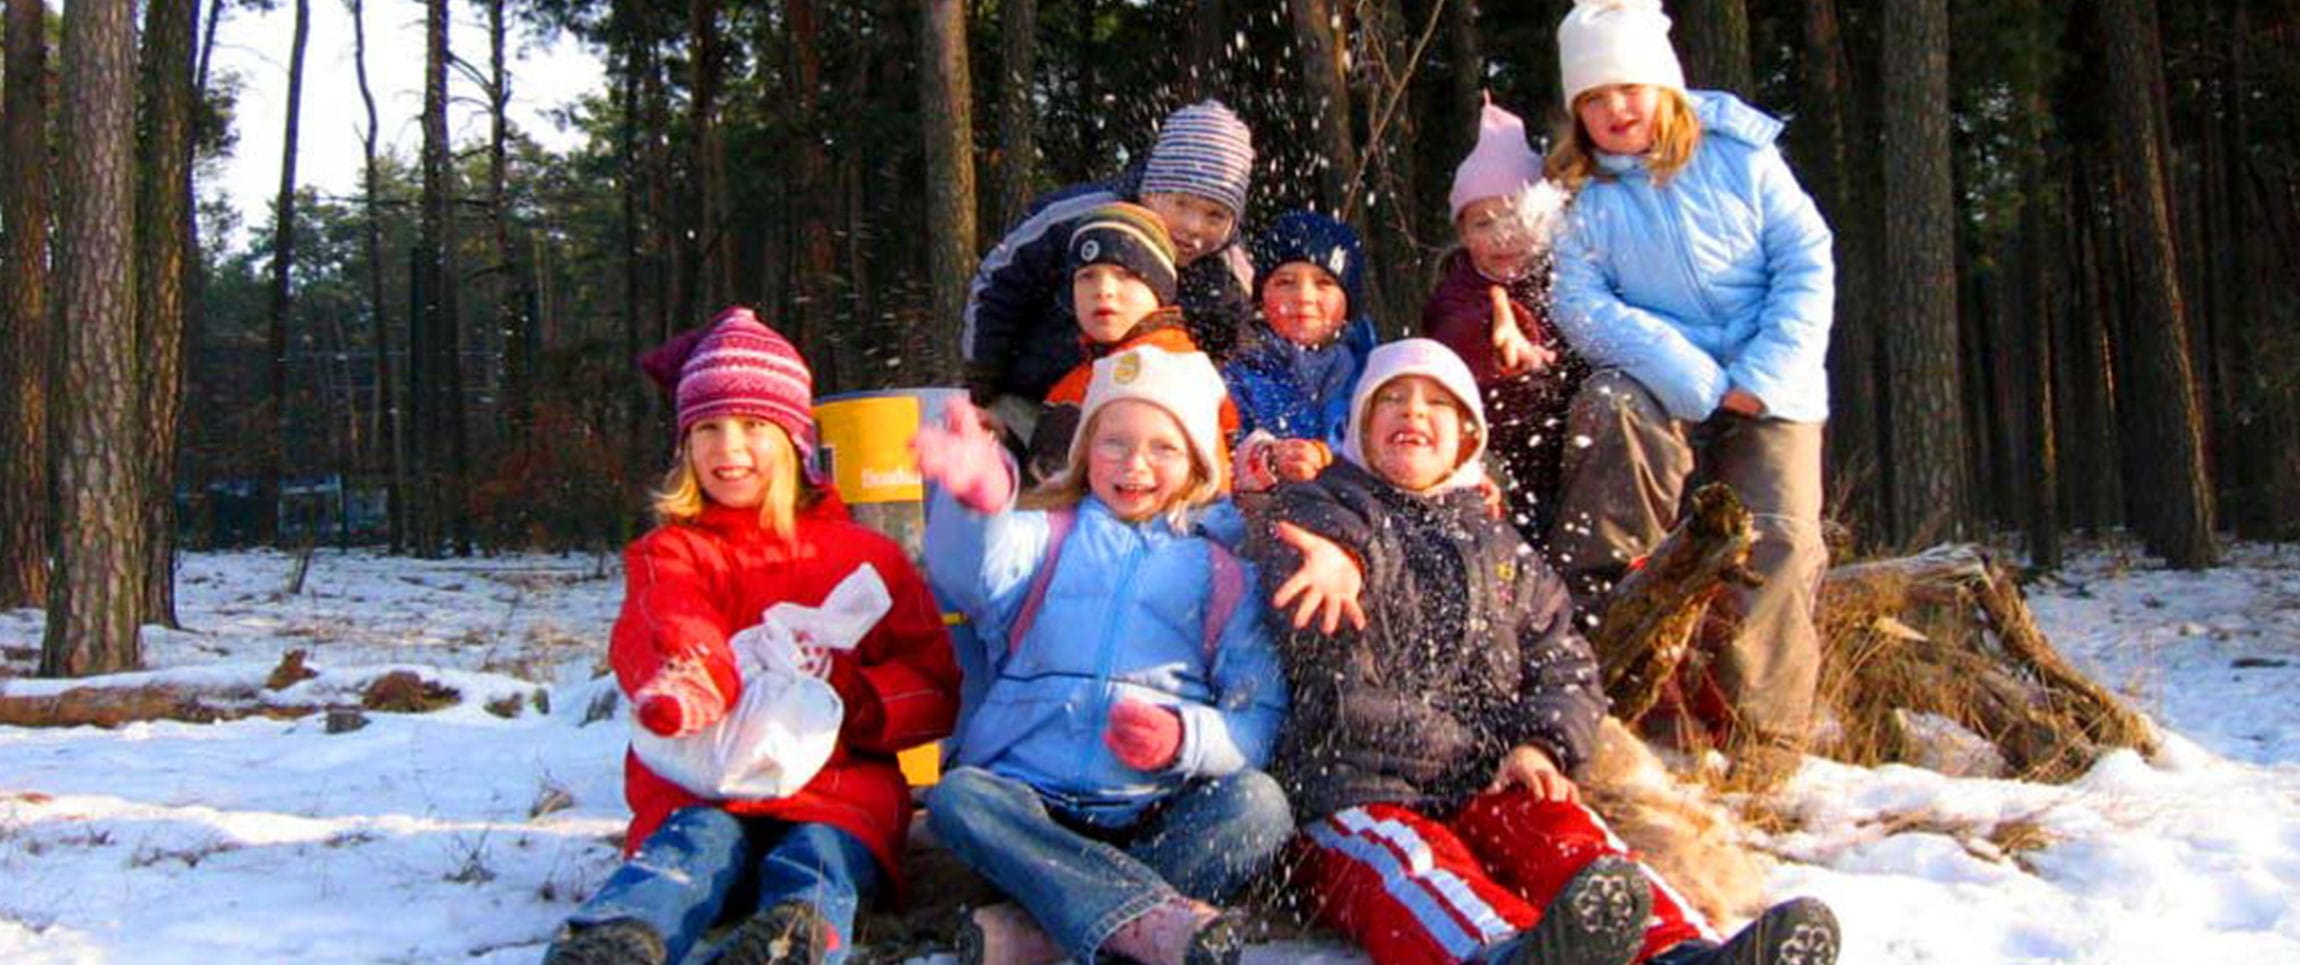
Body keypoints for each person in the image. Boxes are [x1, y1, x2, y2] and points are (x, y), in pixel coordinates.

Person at [1253, 338, 1841, 965]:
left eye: (1437, 405)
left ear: (1466, 437)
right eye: (1390, 400)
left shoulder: (1502, 548)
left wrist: (1542, 744)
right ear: (1362, 426)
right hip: (1356, 793)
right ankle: (1505, 954)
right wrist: (1332, 554)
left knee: (1568, 837)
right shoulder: (1323, 512)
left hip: (1486, 779)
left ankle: (1683, 952)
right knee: (1410, 868)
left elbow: (1565, 665)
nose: (1413, 413)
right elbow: (1288, 556)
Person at [542, 308, 961, 965]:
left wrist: (852, 693)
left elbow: (933, 685)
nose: (727, 448)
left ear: (795, 439)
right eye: (707, 426)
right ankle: (620, 935)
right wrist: (694, 682)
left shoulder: (868, 557)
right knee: (692, 847)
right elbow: (671, 620)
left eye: (752, 426)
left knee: (824, 852)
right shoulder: (671, 550)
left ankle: (796, 936)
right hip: (706, 781)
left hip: (836, 785)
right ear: (684, 444)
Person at [914, 345, 1292, 965]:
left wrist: (1184, 738)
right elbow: (971, 576)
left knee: (1259, 806)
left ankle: (1042, 928)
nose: (1134, 464)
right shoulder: (1044, 539)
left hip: (1154, 807)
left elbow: (1256, 720)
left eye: (1163, 448)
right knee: (959, 798)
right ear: (1085, 449)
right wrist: (977, 507)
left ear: (1198, 461)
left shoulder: (1224, 573)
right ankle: (1141, 920)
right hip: (1031, 810)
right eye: (1113, 442)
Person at [1544, 0, 1836, 751]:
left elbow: (1805, 259)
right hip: (1661, 378)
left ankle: (1762, 739)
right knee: (1608, 409)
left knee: (1777, 537)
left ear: (1663, 87)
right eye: (1594, 98)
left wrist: (1763, 374)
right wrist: (1695, 380)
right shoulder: (1580, 194)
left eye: (1628, 90)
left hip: (1774, 376)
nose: (1614, 110)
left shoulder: (1740, 155)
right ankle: (1604, 688)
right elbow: (1580, 303)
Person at [962, 100, 1259, 440]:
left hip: (1141, 423)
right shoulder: (1075, 218)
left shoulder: (1229, 271)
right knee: (985, 455)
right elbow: (999, 286)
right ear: (1151, 190)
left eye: (1215, 216)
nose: (1194, 227)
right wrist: (982, 379)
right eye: (1180, 204)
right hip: (1032, 399)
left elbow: (1238, 347)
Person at [1421, 94, 1587, 534]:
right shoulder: (1457, 289)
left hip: (1561, 443)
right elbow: (1452, 332)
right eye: (1483, 223)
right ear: (1462, 231)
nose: (1502, 237)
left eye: (1515, 217)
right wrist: (1498, 334)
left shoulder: (1566, 277)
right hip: (1491, 445)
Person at [1024, 202, 1240, 484]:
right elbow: (1045, 483)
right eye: (1087, 276)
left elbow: (1209, 494)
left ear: (1159, 289)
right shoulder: (1076, 379)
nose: (1103, 291)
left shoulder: (1175, 374)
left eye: (1125, 275)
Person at [1222, 210, 1378, 494]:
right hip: (1270, 514)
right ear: (1261, 298)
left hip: (1365, 515)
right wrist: (1267, 460)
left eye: (1324, 283)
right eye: (1285, 282)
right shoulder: (1239, 377)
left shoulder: (1376, 372)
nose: (1304, 297)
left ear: (1349, 302)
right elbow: (1220, 459)